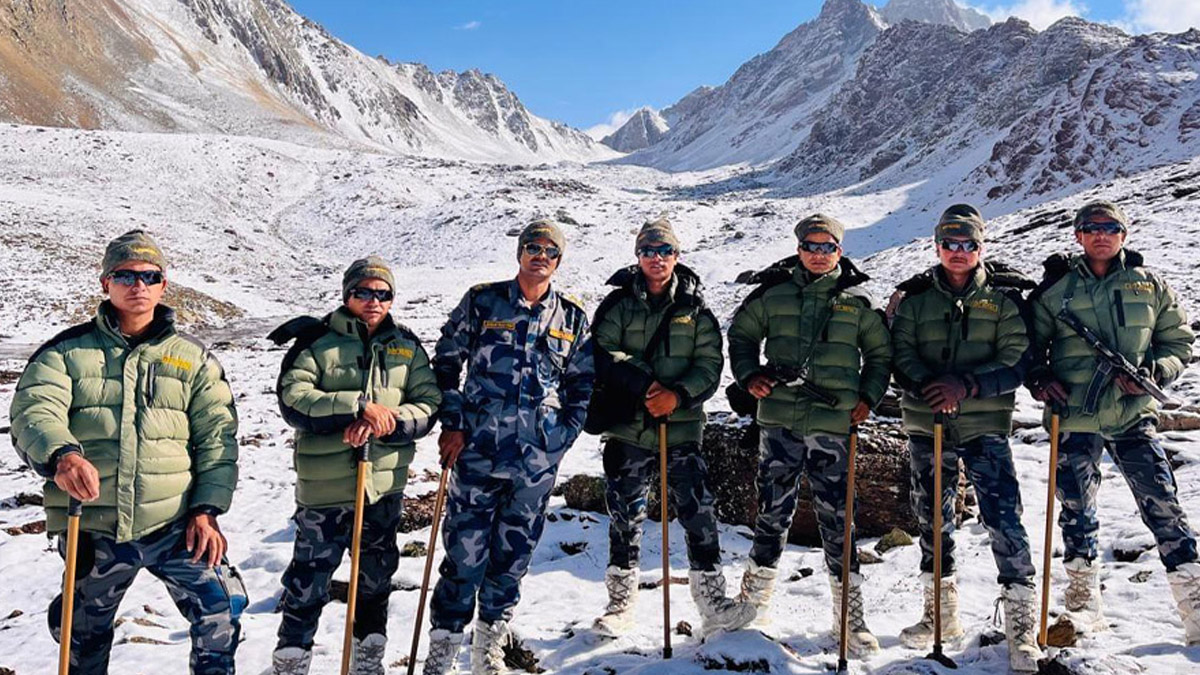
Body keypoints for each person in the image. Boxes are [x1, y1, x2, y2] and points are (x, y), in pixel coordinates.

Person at [10, 230, 244, 674]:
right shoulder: (64, 352)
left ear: (163, 285)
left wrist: (207, 510)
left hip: (176, 524)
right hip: (95, 526)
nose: (138, 284)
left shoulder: (192, 358)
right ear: (106, 283)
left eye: (148, 275)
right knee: (81, 634)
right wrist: (62, 455)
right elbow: (34, 410)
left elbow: (218, 436)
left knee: (222, 608)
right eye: (125, 275)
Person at [422, 220, 594, 675]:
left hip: (534, 466)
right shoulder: (483, 301)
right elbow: (446, 363)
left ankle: (488, 651)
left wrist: (561, 437)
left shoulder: (572, 318)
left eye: (550, 250)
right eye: (532, 247)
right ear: (519, 253)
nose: (540, 255)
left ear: (559, 260)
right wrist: (454, 424)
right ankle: (442, 654)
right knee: (463, 558)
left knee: (512, 560)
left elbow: (582, 383)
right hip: (476, 454)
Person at [1027, 200, 1200, 644]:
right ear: (1078, 236)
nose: (1101, 234)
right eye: (1091, 227)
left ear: (1124, 234)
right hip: (1074, 418)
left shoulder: (1150, 287)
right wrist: (1041, 379)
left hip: (1132, 417)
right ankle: (1083, 602)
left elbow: (1178, 341)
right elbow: (1029, 349)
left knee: (1163, 504)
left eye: (1110, 227)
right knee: (1075, 510)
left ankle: (1193, 604)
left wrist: (1154, 374)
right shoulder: (1056, 291)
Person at [268, 256, 441, 674]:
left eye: (382, 294)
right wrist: (356, 407)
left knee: (375, 582)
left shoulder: (406, 345)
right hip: (324, 490)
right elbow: (293, 397)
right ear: (348, 295)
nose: (373, 301)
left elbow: (429, 403)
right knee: (307, 584)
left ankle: (368, 661)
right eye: (363, 292)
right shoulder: (317, 341)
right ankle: (291, 662)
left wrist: (386, 421)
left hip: (381, 488)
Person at [727, 214, 891, 655]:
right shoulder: (772, 294)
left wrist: (869, 397)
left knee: (840, 518)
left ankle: (849, 618)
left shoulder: (858, 301)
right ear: (799, 248)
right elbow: (741, 337)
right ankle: (752, 605)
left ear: (840, 250)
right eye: (811, 246)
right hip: (779, 419)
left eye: (828, 247)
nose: (819, 254)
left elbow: (879, 354)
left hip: (834, 424)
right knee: (771, 512)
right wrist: (749, 375)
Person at [888, 205, 1040, 671]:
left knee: (1003, 518)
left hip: (984, 425)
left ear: (981, 248)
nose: (959, 252)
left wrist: (967, 386)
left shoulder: (1004, 298)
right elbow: (899, 351)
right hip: (925, 421)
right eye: (950, 244)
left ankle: (1021, 626)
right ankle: (941, 612)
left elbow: (1018, 358)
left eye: (968, 244)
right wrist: (926, 385)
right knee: (932, 515)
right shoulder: (913, 299)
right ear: (937, 246)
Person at [588, 218, 754, 638]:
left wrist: (677, 396)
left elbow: (710, 365)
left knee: (698, 511)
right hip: (628, 426)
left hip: (680, 428)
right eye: (648, 251)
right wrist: (646, 386)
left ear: (677, 256)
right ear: (637, 256)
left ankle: (712, 600)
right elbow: (603, 352)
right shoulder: (617, 304)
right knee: (625, 513)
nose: (656, 259)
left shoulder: (696, 310)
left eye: (664, 251)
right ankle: (620, 603)